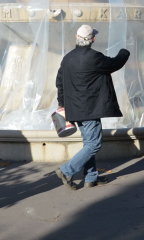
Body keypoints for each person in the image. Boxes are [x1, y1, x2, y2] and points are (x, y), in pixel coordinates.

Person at [55, 24, 130, 190]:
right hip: (89, 108)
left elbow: (59, 82)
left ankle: (91, 177)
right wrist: (124, 52)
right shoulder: (94, 57)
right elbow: (114, 64)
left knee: (88, 142)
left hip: (74, 109)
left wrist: (62, 105)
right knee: (94, 144)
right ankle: (66, 170)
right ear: (93, 39)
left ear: (76, 38)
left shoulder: (67, 58)